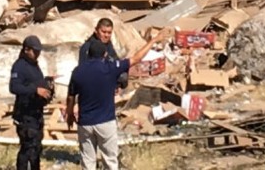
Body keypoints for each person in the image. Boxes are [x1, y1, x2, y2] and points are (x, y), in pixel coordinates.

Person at [66, 30, 169, 170]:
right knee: (110, 160)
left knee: (88, 161)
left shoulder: (77, 71)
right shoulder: (110, 68)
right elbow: (136, 59)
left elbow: (71, 96)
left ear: (88, 54)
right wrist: (153, 40)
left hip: (85, 123)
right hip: (105, 122)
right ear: (104, 54)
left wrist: (70, 113)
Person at [9, 35, 54, 170]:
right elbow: (14, 87)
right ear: (26, 49)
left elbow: (36, 83)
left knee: (36, 148)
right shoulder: (20, 66)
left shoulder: (34, 65)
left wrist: (47, 83)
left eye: (39, 52)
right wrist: (35, 90)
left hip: (36, 114)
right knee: (28, 148)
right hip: (25, 116)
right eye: (35, 51)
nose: (37, 54)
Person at [79, 18, 128, 90]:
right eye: (103, 32)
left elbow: (114, 59)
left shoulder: (107, 43)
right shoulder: (87, 47)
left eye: (109, 33)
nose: (106, 35)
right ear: (96, 30)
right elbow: (83, 71)